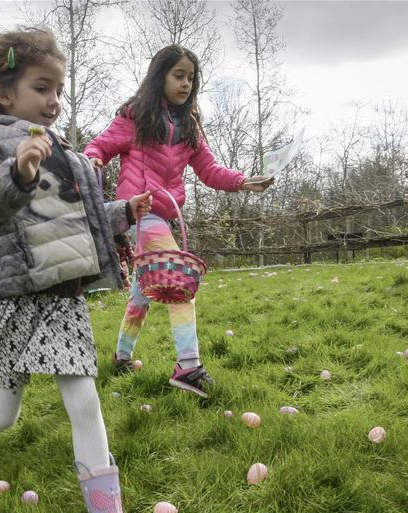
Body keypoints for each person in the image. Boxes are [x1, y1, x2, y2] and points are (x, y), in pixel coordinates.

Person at [0, 27, 154, 513]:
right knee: (3, 414)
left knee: (84, 400)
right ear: (6, 93)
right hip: (13, 298)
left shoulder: (67, 152)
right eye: (42, 88)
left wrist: (122, 212)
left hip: (62, 297)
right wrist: (16, 172)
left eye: (58, 91)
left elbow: (83, 216)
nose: (53, 101)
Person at [84, 45, 273, 398]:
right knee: (179, 283)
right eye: (178, 76)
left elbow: (209, 170)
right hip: (140, 212)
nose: (186, 84)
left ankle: (121, 357)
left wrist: (243, 181)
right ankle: (188, 367)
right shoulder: (136, 116)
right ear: (161, 76)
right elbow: (100, 145)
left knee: (142, 292)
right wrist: (92, 160)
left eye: (191, 78)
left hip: (165, 216)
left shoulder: (188, 125)